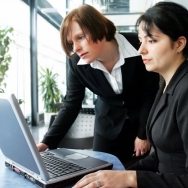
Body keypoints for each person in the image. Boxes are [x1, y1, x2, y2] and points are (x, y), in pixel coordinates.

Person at [72, 2, 188, 188]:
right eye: (141, 40)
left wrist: (130, 179)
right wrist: (117, 175)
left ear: (179, 44)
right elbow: (162, 157)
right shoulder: (167, 86)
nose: (140, 50)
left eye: (151, 40)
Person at [37, 4, 159, 166]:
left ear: (99, 27)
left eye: (80, 37)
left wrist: (143, 135)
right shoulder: (76, 63)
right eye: (71, 43)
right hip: (107, 124)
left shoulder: (138, 46)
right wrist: (47, 142)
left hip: (142, 122)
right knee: (100, 173)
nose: (76, 48)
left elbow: (150, 94)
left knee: (136, 175)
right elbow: (71, 104)